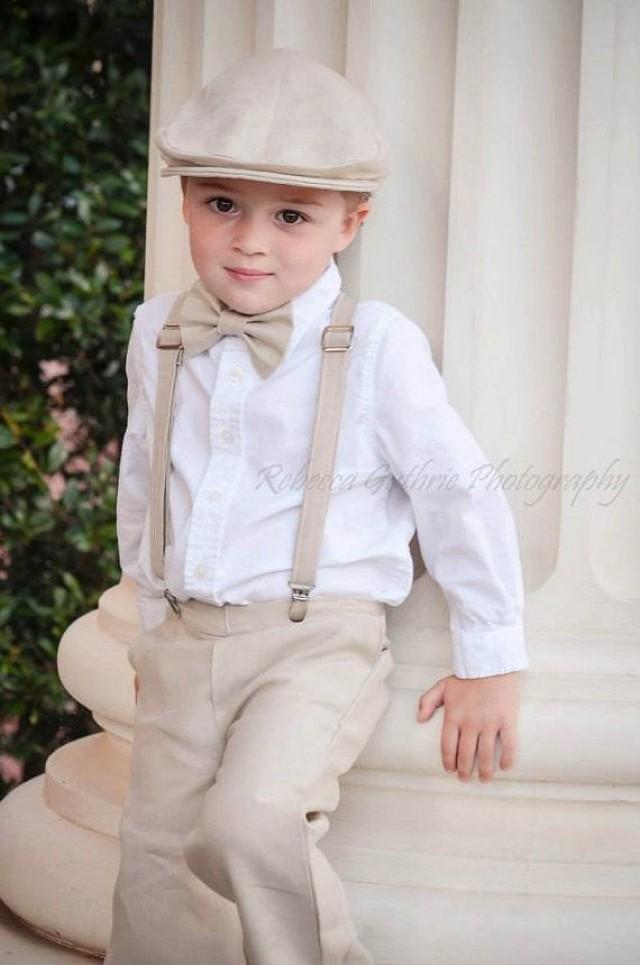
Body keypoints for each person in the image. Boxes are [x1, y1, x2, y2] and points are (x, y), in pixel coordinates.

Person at [105, 47, 529, 965]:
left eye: (290, 215)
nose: (250, 241)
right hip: (184, 637)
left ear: (350, 221)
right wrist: (147, 616)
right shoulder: (159, 330)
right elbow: (145, 480)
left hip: (314, 640)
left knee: (252, 825)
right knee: (155, 864)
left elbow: (456, 487)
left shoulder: (371, 343)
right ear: (184, 202)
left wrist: (489, 655)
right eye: (223, 205)